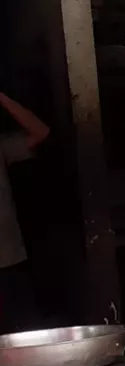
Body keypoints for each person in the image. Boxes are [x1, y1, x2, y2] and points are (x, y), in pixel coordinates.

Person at [0, 91, 49, 335]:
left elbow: (40, 132)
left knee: (23, 337)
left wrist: (3, 98)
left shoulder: (2, 147)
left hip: (8, 260)